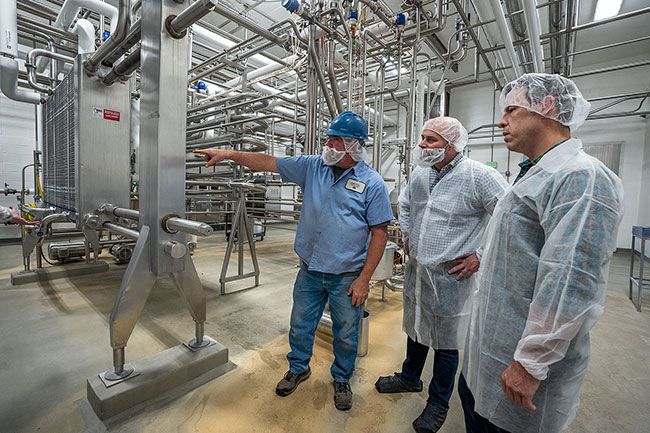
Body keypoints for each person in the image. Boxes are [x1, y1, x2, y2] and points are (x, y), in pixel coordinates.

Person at [459, 73, 625, 433]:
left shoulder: (580, 177)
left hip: (521, 372)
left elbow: (571, 280)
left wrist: (531, 363)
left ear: (546, 106)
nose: (501, 121)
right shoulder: (533, 173)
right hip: (489, 357)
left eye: (511, 110)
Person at [195, 111, 393, 411]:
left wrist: (364, 279)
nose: (327, 143)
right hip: (310, 270)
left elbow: (379, 233)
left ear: (353, 145)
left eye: (335, 139)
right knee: (300, 324)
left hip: (346, 275)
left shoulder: (373, 183)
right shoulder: (313, 167)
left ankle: (341, 378)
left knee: (347, 334)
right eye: (328, 137)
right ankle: (298, 368)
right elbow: (267, 162)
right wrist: (227, 154)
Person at [374, 117, 508, 433]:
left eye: (431, 140)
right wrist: (406, 233)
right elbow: (405, 205)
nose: (422, 144)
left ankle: (438, 403)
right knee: (417, 327)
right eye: (422, 138)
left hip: (452, 276)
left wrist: (481, 256)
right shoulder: (421, 175)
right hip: (418, 269)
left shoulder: (479, 176)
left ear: (452, 145)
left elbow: (508, 217)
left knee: (446, 342)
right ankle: (409, 377)